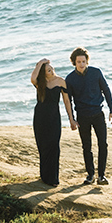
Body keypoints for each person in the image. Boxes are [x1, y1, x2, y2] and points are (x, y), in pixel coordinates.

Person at [64, 47, 112, 185]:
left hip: (98, 114)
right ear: (74, 62)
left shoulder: (96, 72)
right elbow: (68, 100)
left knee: (103, 144)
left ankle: (102, 176)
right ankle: (90, 174)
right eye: (79, 61)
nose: (82, 64)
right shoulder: (70, 79)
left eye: (84, 61)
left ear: (87, 61)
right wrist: (72, 119)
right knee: (86, 146)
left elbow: (106, 90)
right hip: (82, 116)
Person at [30, 58, 77, 187]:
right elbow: (32, 78)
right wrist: (39, 63)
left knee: (54, 145)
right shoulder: (40, 82)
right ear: (43, 72)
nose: (51, 71)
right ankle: (44, 176)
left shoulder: (61, 81)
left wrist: (71, 119)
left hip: (53, 117)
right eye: (47, 70)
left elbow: (67, 101)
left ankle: (53, 178)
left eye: (51, 68)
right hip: (40, 117)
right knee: (43, 146)